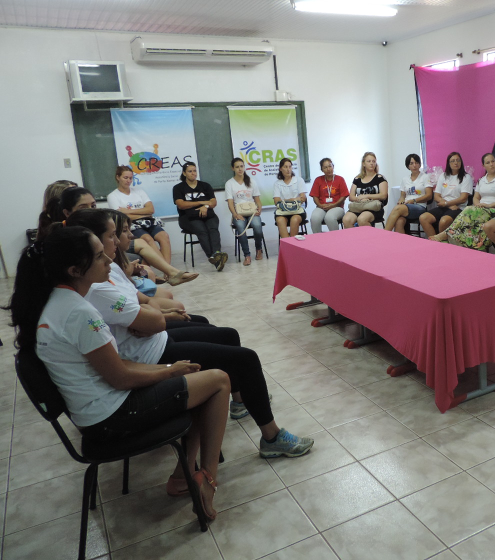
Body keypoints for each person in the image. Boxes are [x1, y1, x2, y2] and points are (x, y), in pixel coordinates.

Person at [6, 226, 229, 521]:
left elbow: (114, 366)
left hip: (99, 410)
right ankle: (207, 481)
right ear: (75, 269)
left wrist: (169, 370)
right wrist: (168, 373)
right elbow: (120, 377)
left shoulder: (58, 304)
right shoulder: (79, 312)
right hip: (112, 417)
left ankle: (183, 476)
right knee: (219, 381)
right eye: (99, 257)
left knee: (195, 381)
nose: (109, 261)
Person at [70, 209, 314, 469]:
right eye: (114, 234)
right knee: (247, 359)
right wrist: (152, 317)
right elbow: (151, 317)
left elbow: (146, 305)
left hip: (154, 342)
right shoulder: (98, 286)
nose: (123, 239)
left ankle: (242, 400)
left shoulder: (108, 272)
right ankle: (272, 436)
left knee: (227, 336)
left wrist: (150, 316)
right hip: (151, 355)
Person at [59, 188, 197, 287]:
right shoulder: (74, 237)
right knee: (145, 247)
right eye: (84, 207)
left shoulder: (139, 191)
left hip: (134, 235)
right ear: (67, 212)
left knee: (157, 238)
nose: (91, 210)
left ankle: (171, 272)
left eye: (93, 205)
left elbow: (150, 210)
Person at [429, 153, 495, 249]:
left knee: (468, 210)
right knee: (468, 227)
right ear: (483, 166)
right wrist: (478, 205)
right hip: (481, 210)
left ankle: (445, 235)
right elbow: (476, 197)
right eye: (488, 162)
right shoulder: (482, 180)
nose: (491, 164)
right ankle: (468, 248)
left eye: (493, 161)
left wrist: (490, 205)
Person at [108, 165, 172, 263]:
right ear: (118, 177)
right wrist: (143, 212)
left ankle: (168, 271)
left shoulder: (139, 191)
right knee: (148, 239)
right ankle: (168, 269)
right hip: (131, 225)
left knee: (164, 236)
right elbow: (122, 217)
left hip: (148, 222)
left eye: (130, 178)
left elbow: (151, 210)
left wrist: (127, 211)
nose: (128, 181)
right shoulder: (113, 196)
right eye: (125, 178)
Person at [173, 162, 227, 271]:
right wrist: (201, 203)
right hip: (188, 218)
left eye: (194, 170)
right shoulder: (178, 188)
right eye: (190, 171)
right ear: (184, 173)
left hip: (208, 214)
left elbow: (213, 202)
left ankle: (216, 253)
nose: (193, 173)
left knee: (213, 228)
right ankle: (216, 260)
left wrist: (206, 206)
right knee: (202, 231)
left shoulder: (205, 185)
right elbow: (181, 205)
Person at [419, 152, 474, 237]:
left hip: (458, 208)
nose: (456, 163)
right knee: (423, 218)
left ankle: (443, 244)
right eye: (452, 161)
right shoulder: (443, 176)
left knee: (444, 221)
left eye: (458, 160)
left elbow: (463, 198)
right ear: (448, 163)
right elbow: (436, 196)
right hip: (444, 206)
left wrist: (447, 204)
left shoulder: (466, 177)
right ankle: (435, 243)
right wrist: (447, 204)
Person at [226, 158, 264, 264]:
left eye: (241, 166)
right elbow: (230, 203)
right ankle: (247, 255)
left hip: (252, 212)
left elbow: (257, 200)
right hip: (238, 213)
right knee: (240, 227)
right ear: (233, 168)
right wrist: (235, 215)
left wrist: (259, 208)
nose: (240, 169)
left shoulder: (251, 181)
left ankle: (258, 249)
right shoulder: (229, 183)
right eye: (237, 167)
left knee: (257, 225)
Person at [384, 153, 433, 234]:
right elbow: (402, 196)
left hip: (419, 206)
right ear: (408, 166)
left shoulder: (425, 177)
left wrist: (414, 201)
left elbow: (429, 195)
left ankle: (384, 234)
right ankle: (401, 244)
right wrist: (401, 201)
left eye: (416, 163)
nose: (414, 165)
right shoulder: (405, 179)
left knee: (397, 209)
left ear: (419, 164)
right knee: (399, 221)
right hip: (407, 205)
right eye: (411, 163)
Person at [342, 152, 389, 228]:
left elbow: (383, 195)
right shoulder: (357, 179)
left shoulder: (380, 178)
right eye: (369, 161)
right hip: (359, 206)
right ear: (363, 164)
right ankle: (355, 239)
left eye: (373, 161)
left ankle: (370, 239)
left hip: (373, 208)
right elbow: (351, 197)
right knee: (346, 219)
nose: (371, 163)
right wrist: (360, 199)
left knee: (362, 219)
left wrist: (367, 196)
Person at [309, 158, 348, 233]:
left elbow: (344, 196)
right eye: (325, 167)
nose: (328, 169)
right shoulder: (318, 180)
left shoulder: (340, 179)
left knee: (329, 217)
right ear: (322, 170)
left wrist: (333, 205)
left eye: (330, 166)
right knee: (314, 218)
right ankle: (318, 240)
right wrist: (320, 205)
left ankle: (336, 240)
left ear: (333, 167)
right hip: (322, 207)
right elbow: (315, 196)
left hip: (337, 207)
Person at [273, 158, 307, 238]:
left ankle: (292, 246)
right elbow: (276, 201)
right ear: (280, 169)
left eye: (290, 167)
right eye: (285, 167)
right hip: (283, 211)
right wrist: (295, 199)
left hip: (297, 211)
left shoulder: (299, 180)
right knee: (280, 220)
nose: (288, 169)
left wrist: (288, 200)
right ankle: (287, 246)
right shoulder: (277, 183)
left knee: (294, 220)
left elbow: (303, 198)